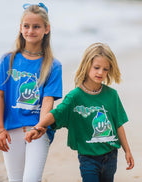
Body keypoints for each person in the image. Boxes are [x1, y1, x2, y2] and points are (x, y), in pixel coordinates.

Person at [25, 42, 134, 182]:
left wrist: (127, 151)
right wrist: (37, 127)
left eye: (105, 69)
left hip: (111, 155)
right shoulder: (75, 97)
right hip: (88, 158)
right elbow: (56, 113)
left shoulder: (112, 95)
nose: (100, 72)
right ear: (86, 65)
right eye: (96, 67)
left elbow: (118, 125)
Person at [0, 3, 62, 182]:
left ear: (47, 29)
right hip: (11, 129)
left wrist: (40, 127)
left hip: (38, 129)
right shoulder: (7, 60)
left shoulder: (53, 65)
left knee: (31, 179)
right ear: (21, 28)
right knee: (15, 180)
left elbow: (48, 101)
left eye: (36, 26)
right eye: (26, 26)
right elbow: (0, 95)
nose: (31, 30)